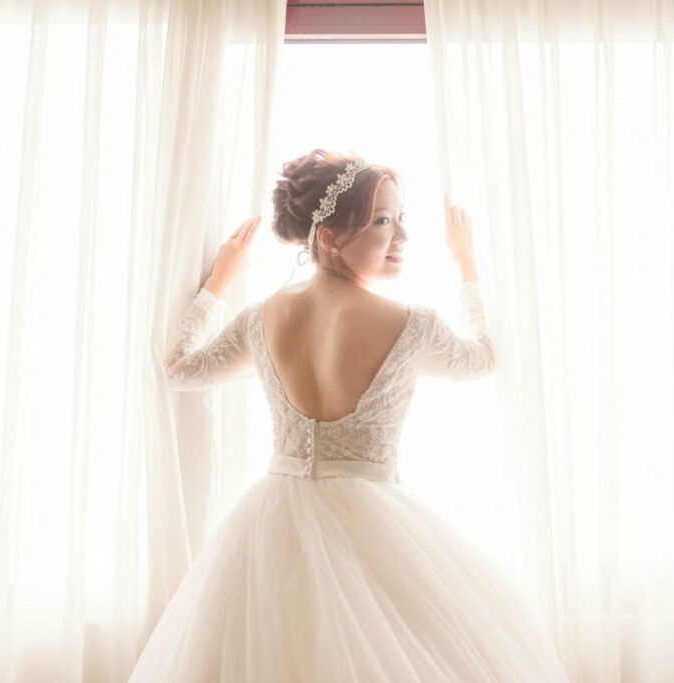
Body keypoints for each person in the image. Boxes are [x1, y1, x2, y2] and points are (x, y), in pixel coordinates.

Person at [128, 149, 569, 681]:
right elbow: (483, 359)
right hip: (372, 524)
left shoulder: (260, 318)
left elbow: (178, 368)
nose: (402, 235)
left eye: (401, 217)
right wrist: (467, 267)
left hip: (272, 522)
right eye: (382, 221)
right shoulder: (413, 325)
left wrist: (218, 283)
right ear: (330, 236)